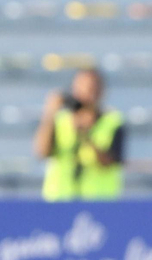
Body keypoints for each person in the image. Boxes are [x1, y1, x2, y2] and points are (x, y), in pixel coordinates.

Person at [34, 67, 124, 201]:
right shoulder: (60, 120)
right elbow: (42, 152)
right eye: (83, 87)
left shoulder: (113, 121)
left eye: (93, 88)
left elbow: (109, 162)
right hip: (59, 200)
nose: (88, 94)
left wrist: (85, 134)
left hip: (99, 203)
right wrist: (50, 113)